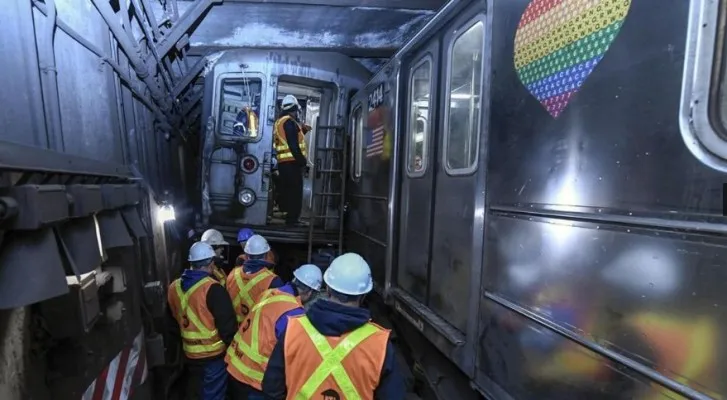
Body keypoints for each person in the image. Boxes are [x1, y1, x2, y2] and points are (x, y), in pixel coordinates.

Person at [262, 253, 405, 399]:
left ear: (328, 289)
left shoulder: (293, 329)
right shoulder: (380, 345)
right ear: (363, 296)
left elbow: (271, 388)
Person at [226, 264, 323, 400]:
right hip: (255, 379)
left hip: (235, 366)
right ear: (310, 293)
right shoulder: (294, 313)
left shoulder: (268, 293)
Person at [167, 242, 237, 400]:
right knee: (213, 394)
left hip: (189, 355)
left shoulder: (173, 287)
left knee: (195, 392)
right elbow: (228, 328)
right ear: (211, 263)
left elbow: (172, 322)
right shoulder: (213, 289)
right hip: (213, 356)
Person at [226, 235, 285, 323]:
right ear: (266, 254)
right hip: (255, 332)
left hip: (233, 329)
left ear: (246, 254)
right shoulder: (273, 281)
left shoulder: (232, 274)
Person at [273, 94, 311, 227]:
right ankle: (293, 220)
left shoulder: (280, 122)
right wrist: (303, 162)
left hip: (284, 164)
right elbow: (293, 145)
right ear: (295, 108)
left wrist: (302, 130)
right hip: (291, 163)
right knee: (296, 192)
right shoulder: (289, 122)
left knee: (288, 191)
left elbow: (287, 140)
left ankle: (289, 217)